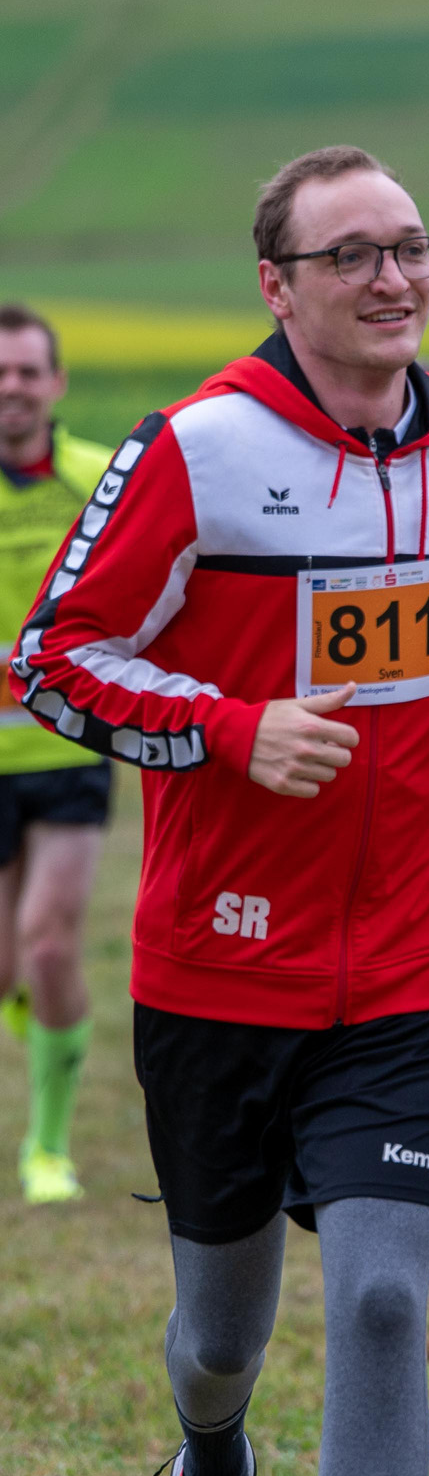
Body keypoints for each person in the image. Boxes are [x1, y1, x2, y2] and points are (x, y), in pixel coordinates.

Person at [9, 145, 429, 1476]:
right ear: (277, 285)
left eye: (411, 246)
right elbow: (51, 660)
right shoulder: (201, 447)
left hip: (412, 960)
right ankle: (211, 1470)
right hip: (221, 968)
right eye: (351, 254)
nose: (394, 277)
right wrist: (231, 730)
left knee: (381, 1299)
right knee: (216, 1341)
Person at [0, 305, 113, 1203]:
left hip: (71, 751)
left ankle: (47, 1147)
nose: (13, 388)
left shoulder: (99, 480)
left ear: (57, 383)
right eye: (0, 373)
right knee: (8, 965)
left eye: (28, 371)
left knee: (48, 944)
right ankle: (36, 1016)